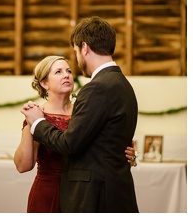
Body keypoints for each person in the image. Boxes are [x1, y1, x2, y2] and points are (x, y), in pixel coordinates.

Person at [21, 17, 140, 212]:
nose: (71, 69)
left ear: (84, 48)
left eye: (76, 52)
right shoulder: (123, 84)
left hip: (97, 195)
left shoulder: (97, 88)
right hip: (111, 190)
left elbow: (70, 144)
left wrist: (37, 123)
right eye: (58, 72)